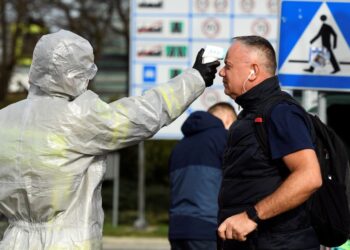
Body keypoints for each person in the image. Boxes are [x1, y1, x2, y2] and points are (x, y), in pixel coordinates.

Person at [0, 29, 220, 249]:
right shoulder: (76, 116)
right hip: (66, 241)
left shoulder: (5, 118)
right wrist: (195, 78)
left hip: (13, 240)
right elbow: (142, 115)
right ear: (73, 74)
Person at [217, 35, 323, 249]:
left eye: (228, 66)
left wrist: (251, 216)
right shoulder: (250, 114)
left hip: (278, 243)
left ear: (253, 71)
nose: (221, 72)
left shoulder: (280, 112)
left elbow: (309, 177)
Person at [168, 102, 237, 250]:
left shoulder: (180, 146)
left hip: (177, 229)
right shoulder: (224, 139)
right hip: (208, 228)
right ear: (227, 119)